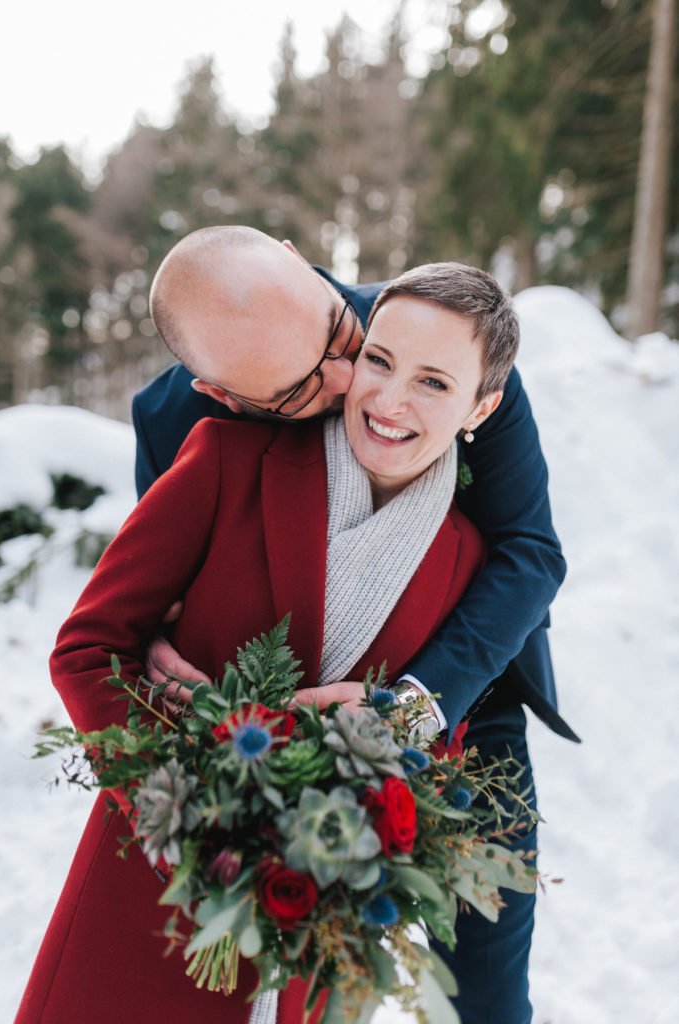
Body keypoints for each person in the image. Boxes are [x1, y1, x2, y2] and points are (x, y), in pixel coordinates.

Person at [18, 261, 520, 1024]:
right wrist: (179, 812)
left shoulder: (467, 565)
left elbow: (436, 748)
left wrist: (377, 834)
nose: (389, 400)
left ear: (481, 406)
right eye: (379, 361)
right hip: (148, 903)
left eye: (433, 383)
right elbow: (88, 647)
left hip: (307, 935)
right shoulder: (225, 460)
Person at [134, 227, 578, 1022]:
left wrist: (417, 705)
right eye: (304, 387)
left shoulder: (444, 349)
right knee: (290, 963)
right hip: (279, 709)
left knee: (485, 972)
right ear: (226, 396)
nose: (353, 385)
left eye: (347, 340)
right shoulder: (175, 414)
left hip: (463, 691)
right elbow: (164, 579)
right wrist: (155, 644)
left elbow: (532, 553)